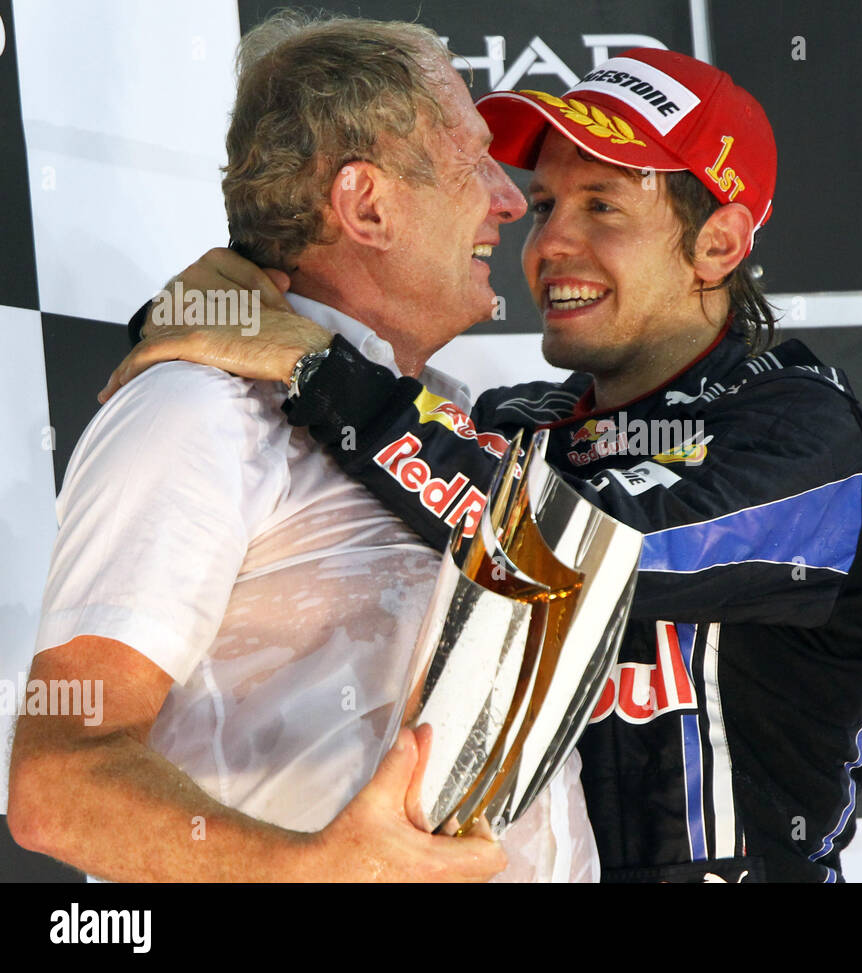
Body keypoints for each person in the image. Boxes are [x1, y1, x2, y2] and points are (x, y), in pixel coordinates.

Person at [103, 48, 862, 882]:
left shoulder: (802, 436)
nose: (549, 245)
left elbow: (581, 558)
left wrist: (309, 364)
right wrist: (210, 321)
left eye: (604, 207)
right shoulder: (510, 422)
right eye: (543, 205)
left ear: (719, 242)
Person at [7, 12, 600, 882]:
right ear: (367, 205)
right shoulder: (197, 410)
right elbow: (57, 782)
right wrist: (310, 868)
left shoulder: (459, 422)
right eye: (472, 162)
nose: (508, 201)